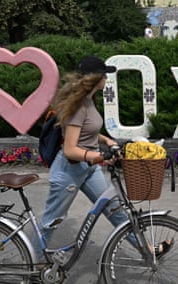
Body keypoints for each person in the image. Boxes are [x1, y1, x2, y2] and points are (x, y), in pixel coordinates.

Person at [36, 55, 125, 255]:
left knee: (115, 210)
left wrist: (106, 140)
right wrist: (97, 156)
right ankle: (37, 264)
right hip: (69, 171)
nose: (107, 79)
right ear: (96, 78)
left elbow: (87, 130)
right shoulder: (78, 107)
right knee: (51, 222)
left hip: (88, 169)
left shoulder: (88, 100)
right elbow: (69, 149)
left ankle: (147, 251)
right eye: (104, 75)